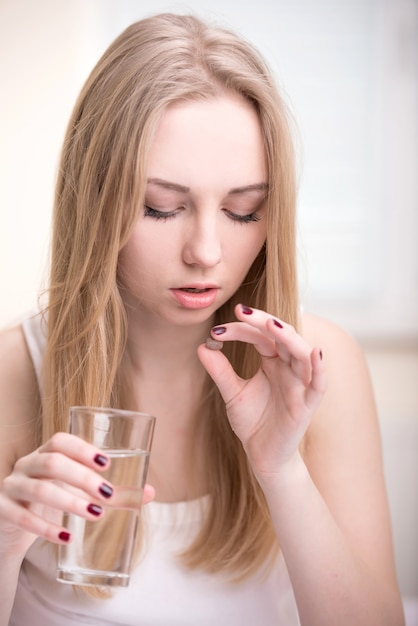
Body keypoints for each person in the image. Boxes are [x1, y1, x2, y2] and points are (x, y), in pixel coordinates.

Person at [0, 11, 404, 626]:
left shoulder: (320, 369)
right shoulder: (12, 373)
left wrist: (281, 470)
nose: (207, 252)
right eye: (162, 208)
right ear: (95, 198)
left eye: (244, 211)